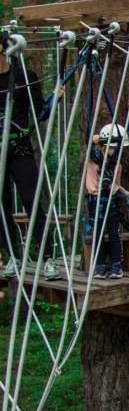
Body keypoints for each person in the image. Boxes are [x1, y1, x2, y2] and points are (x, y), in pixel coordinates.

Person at [0, 34, 60, 282]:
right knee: (2, 205)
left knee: (31, 200)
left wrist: (54, 99)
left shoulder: (24, 76)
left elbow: (39, 113)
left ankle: (47, 258)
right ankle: (12, 256)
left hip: (20, 147)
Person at [85, 124, 129, 279]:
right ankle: (100, 267)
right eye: (113, 148)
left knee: (114, 233)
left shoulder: (117, 165)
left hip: (111, 201)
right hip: (95, 201)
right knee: (98, 234)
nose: (115, 152)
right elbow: (91, 143)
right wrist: (101, 139)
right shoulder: (93, 159)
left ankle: (117, 266)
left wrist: (126, 193)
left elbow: (114, 185)